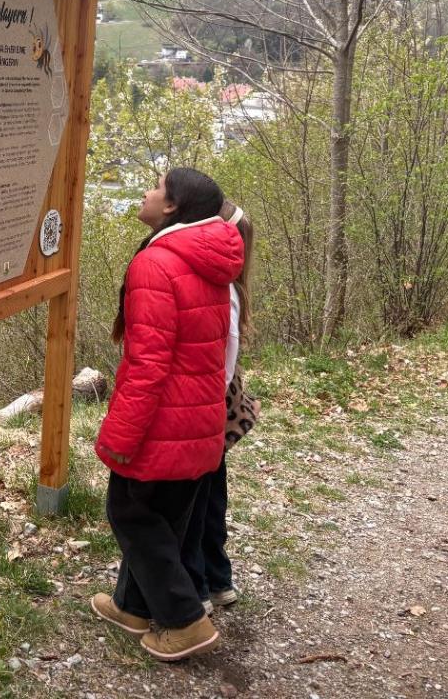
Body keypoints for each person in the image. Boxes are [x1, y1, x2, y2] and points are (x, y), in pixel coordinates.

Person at [91, 168, 245, 662]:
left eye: (156, 186)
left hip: (163, 425)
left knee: (131, 513)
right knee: (165, 520)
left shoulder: (156, 263)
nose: (146, 191)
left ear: (173, 205)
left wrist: (119, 437)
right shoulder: (211, 260)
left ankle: (185, 622)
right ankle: (132, 608)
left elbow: (147, 364)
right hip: (199, 421)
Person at [180, 201, 260, 615]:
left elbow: (222, 362)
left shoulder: (220, 289)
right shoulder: (232, 285)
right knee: (211, 498)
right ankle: (217, 577)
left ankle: (197, 585)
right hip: (220, 410)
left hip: (209, 410)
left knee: (196, 503)